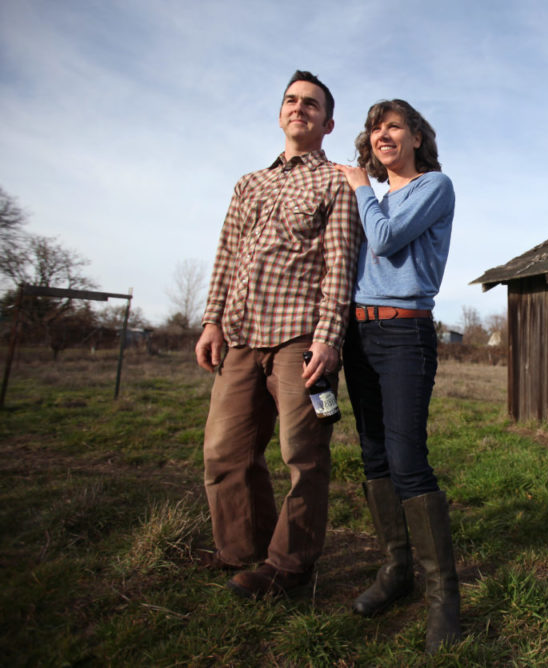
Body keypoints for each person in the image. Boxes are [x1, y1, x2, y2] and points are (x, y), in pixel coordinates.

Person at [194, 70, 362, 599]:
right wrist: (212, 320)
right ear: (281, 112)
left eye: (311, 104)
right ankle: (244, 552)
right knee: (225, 452)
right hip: (241, 336)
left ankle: (290, 568)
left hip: (299, 340)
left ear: (327, 122)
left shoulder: (335, 182)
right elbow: (226, 256)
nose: (299, 108)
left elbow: (341, 264)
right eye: (291, 100)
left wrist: (329, 338)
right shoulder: (250, 183)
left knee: (303, 455)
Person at [336, 99, 459, 653]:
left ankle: (444, 602)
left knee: (408, 460)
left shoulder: (433, 186)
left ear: (414, 137)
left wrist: (361, 185)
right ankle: (395, 571)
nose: (382, 135)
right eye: (374, 128)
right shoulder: (372, 197)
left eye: (393, 126)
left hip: (406, 333)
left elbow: (385, 240)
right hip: (358, 335)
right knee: (374, 456)